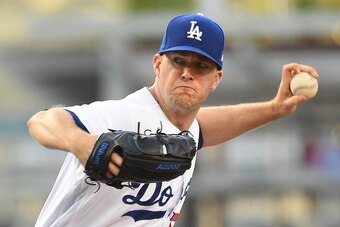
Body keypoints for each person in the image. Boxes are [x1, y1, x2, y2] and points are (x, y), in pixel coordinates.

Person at [27, 13, 319, 227]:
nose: (187, 72)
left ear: (215, 79)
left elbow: (204, 126)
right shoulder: (123, 115)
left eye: (200, 65)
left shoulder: (187, 128)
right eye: (178, 60)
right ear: (157, 64)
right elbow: (42, 121)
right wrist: (84, 143)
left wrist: (275, 108)